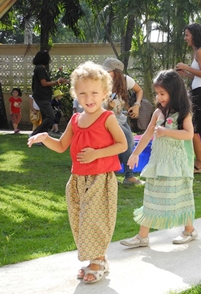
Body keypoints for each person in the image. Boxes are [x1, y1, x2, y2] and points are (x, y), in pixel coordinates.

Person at [27, 62, 127, 284]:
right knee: (81, 220)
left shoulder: (107, 118)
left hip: (100, 179)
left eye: (94, 93)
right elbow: (62, 146)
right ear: (75, 94)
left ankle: (98, 261)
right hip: (78, 179)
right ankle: (96, 258)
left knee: (95, 220)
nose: (88, 98)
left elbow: (121, 145)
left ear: (104, 93)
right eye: (82, 93)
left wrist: (96, 154)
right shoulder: (75, 120)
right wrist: (45, 138)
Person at [120, 70, 197, 248]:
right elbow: (147, 135)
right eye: (157, 93)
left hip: (176, 163)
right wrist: (134, 153)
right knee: (150, 197)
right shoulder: (157, 113)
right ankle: (142, 236)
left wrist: (166, 132)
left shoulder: (183, 113)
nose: (159, 97)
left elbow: (189, 134)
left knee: (181, 196)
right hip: (158, 162)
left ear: (174, 92)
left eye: (162, 93)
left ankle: (189, 230)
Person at [175, 23, 201, 174]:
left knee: (193, 129)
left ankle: (200, 163)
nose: (185, 38)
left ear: (194, 35)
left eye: (187, 35)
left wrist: (185, 67)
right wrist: (187, 74)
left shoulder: (200, 52)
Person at [102, 58, 145, 186]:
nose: (104, 74)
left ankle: (113, 175)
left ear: (116, 73)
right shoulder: (101, 82)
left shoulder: (126, 80)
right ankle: (128, 176)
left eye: (108, 71)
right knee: (127, 142)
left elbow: (139, 90)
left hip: (121, 118)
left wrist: (137, 105)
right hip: (108, 119)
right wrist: (109, 109)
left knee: (125, 145)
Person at [29, 50, 69, 138]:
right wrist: (58, 82)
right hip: (41, 97)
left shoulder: (40, 68)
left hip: (44, 97)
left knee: (45, 117)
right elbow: (44, 83)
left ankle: (41, 138)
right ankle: (34, 134)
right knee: (51, 116)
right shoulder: (39, 68)